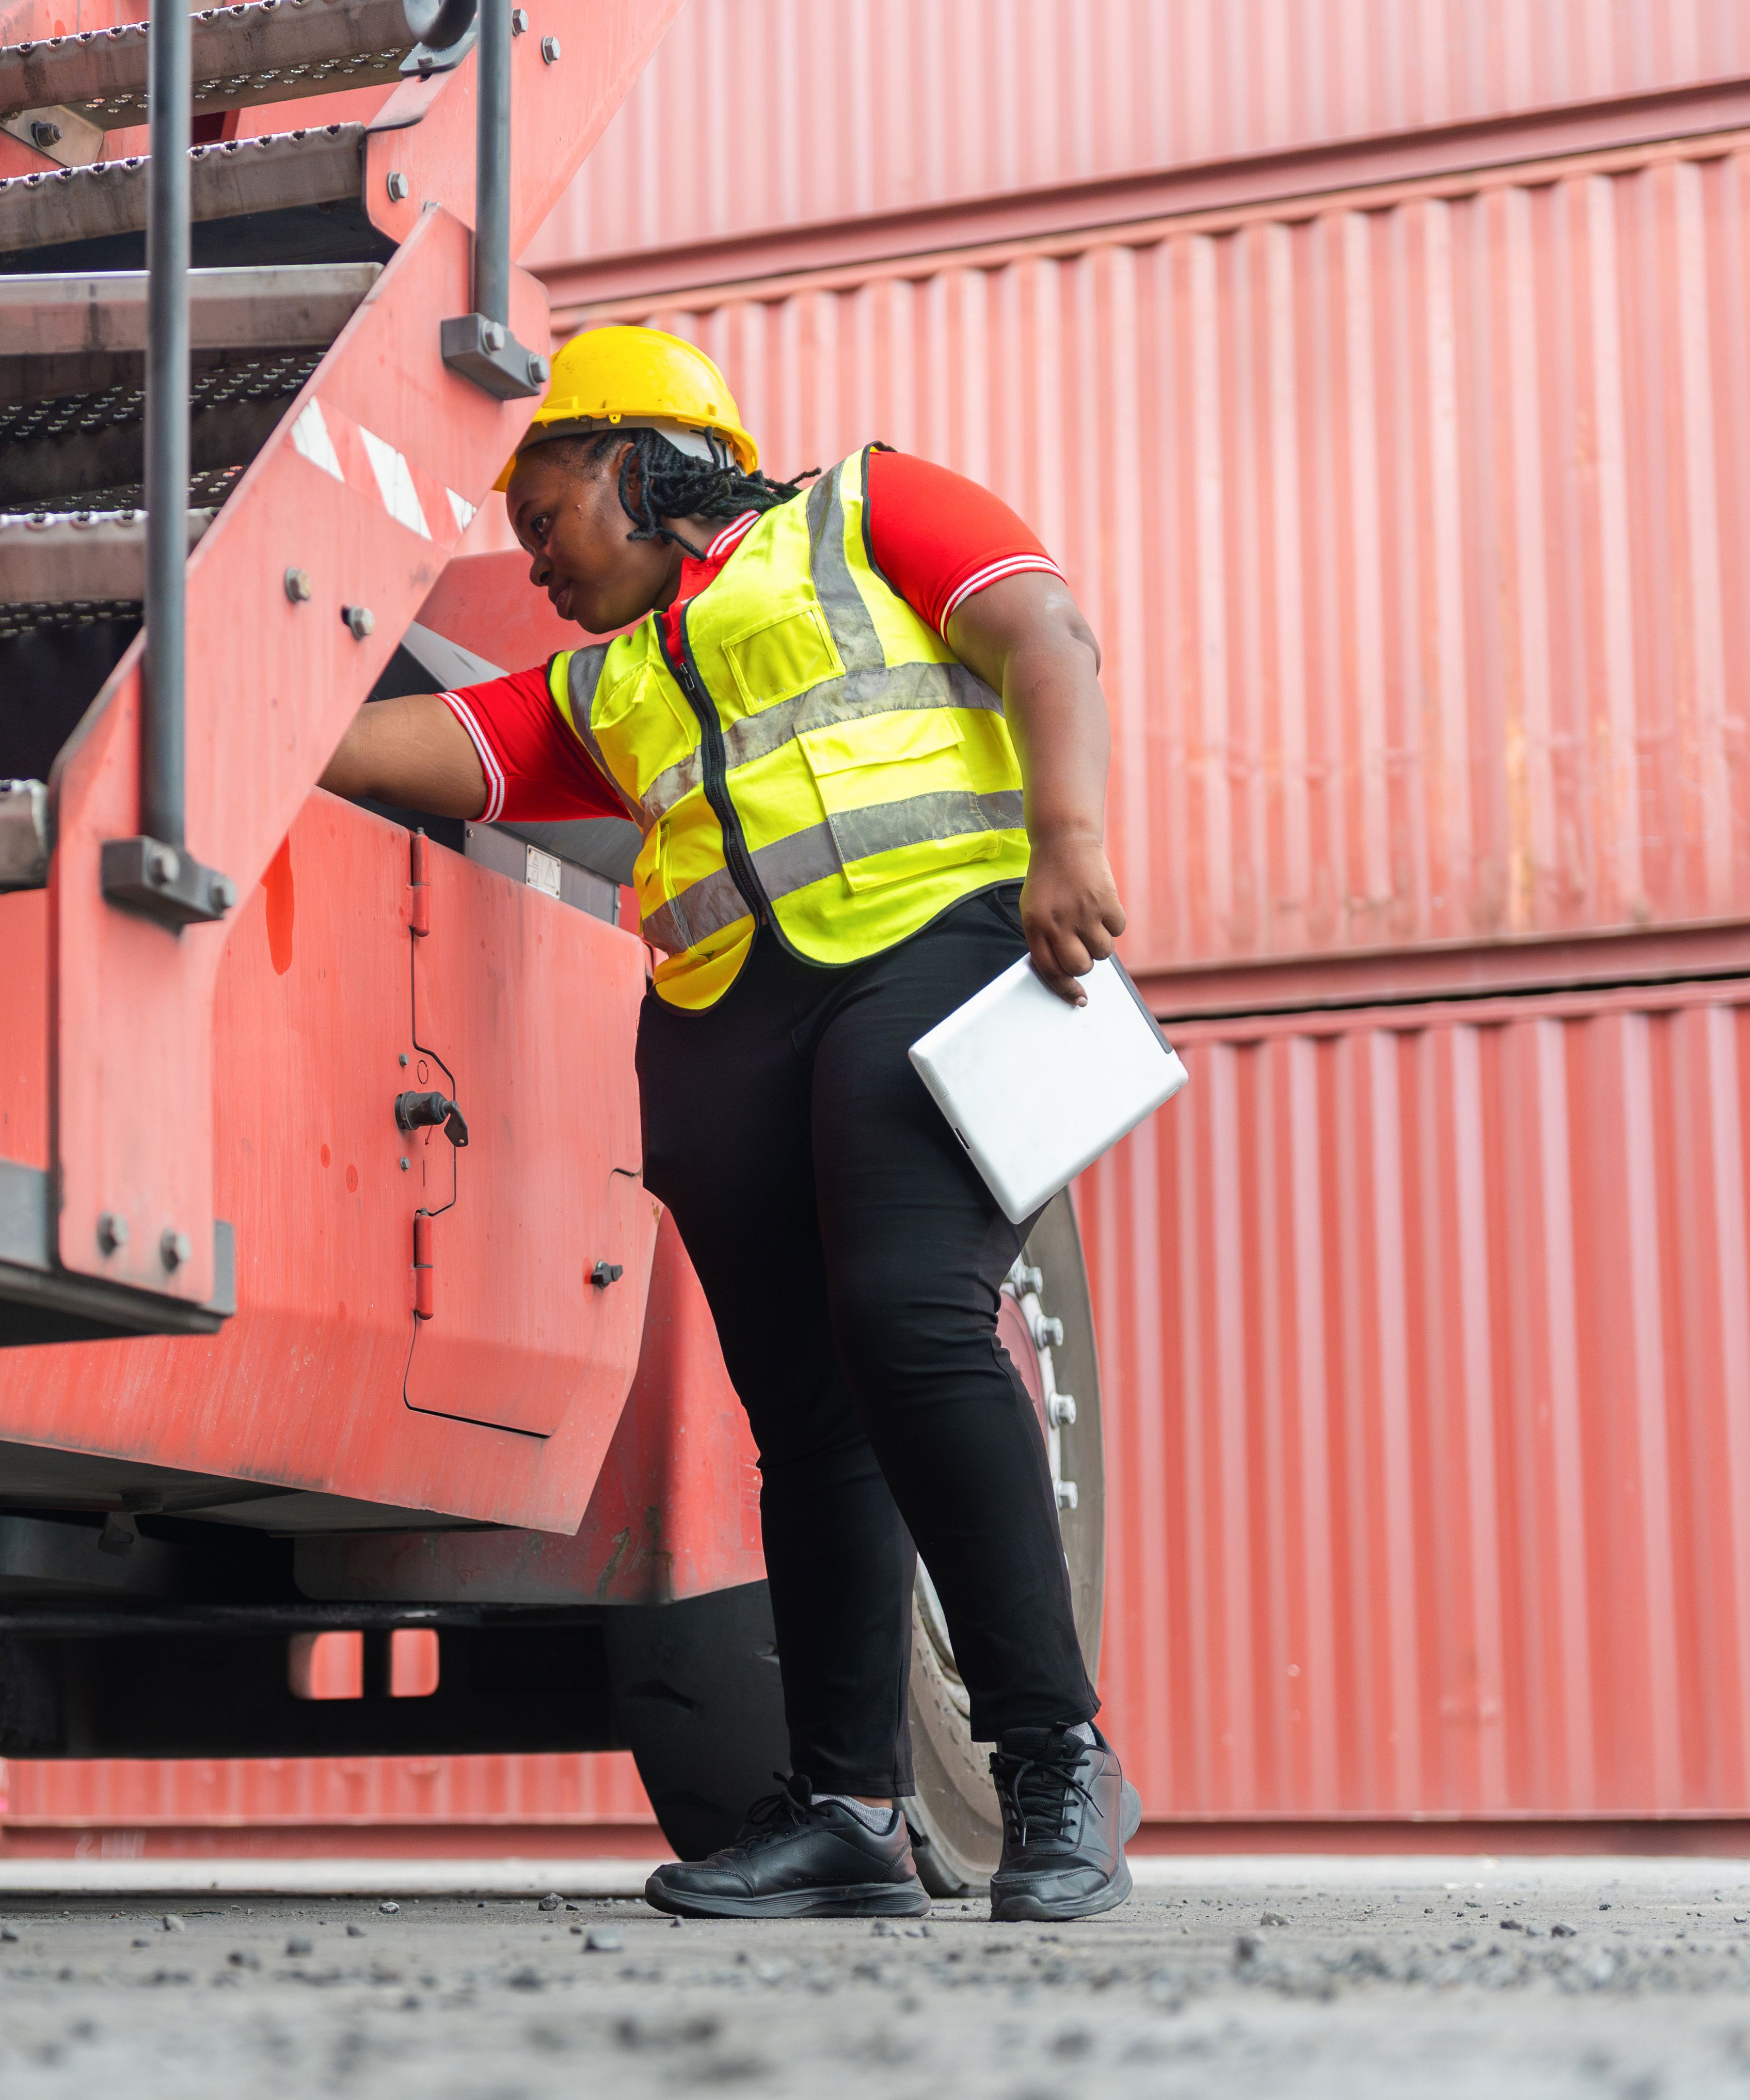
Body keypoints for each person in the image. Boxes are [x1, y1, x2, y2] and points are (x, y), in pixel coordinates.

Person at [320, 327, 1140, 1922]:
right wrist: (258, 717)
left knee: (910, 1319)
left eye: (545, 515)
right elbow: (454, 754)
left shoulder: (868, 511)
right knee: (812, 1424)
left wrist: (1067, 837)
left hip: (936, 956)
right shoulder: (607, 684)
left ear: (641, 461)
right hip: (727, 1029)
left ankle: (1058, 1757)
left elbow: (1045, 631)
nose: (535, 562)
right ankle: (846, 1810)